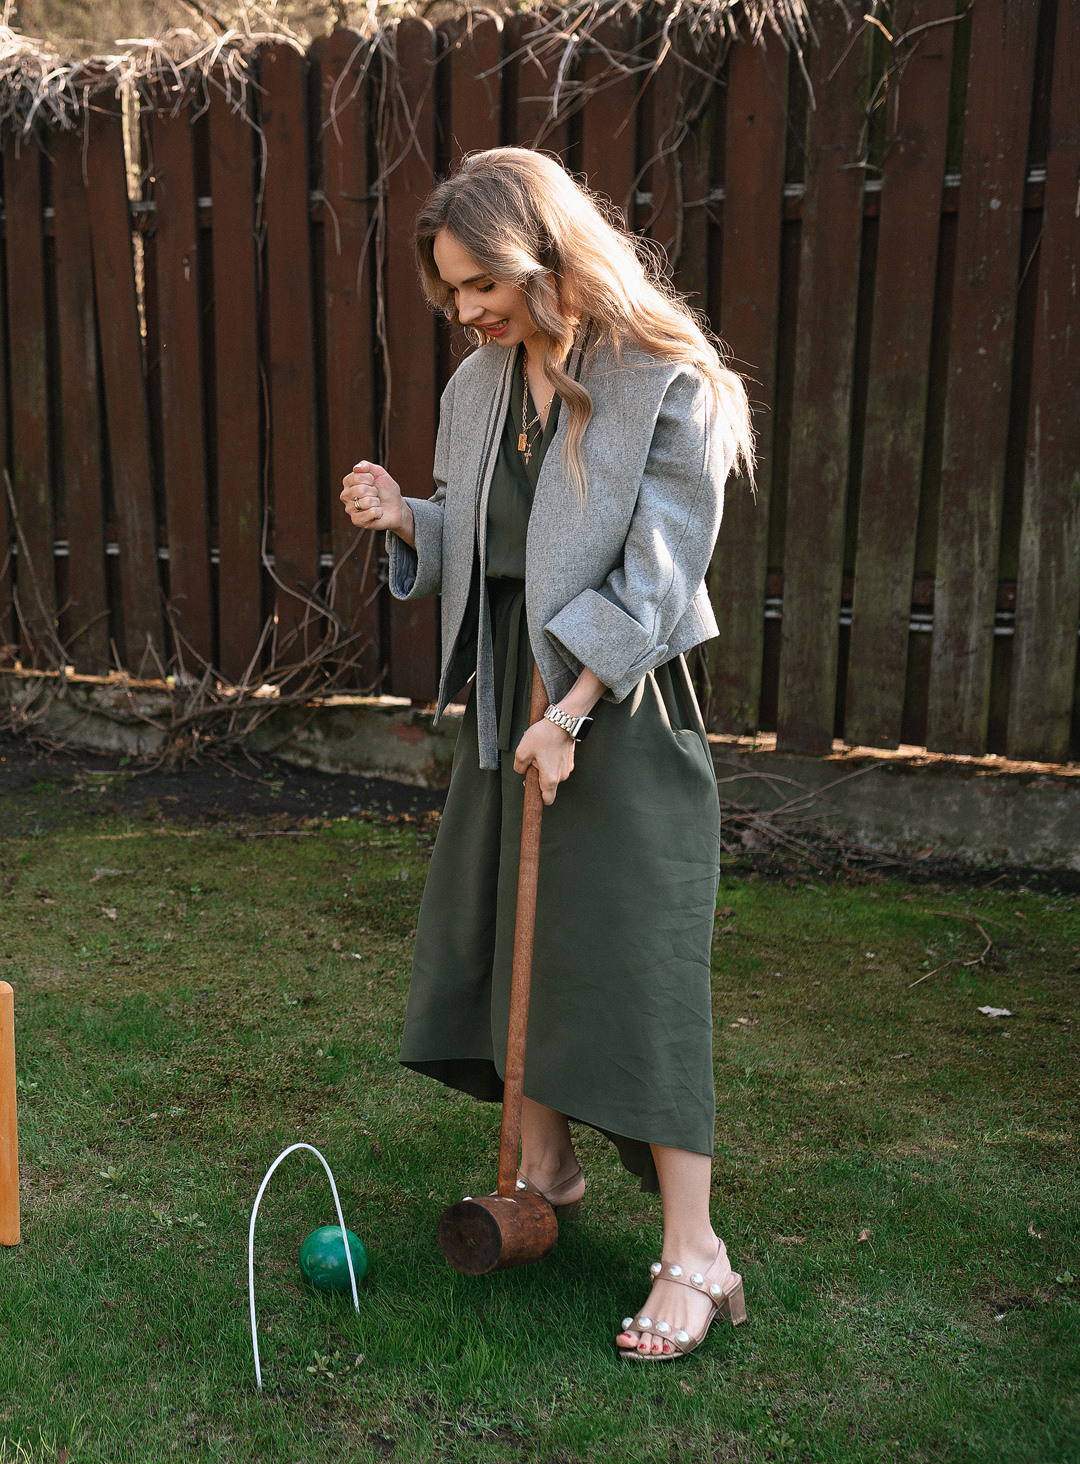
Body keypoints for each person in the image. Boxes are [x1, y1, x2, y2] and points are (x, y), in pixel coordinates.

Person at [340, 147, 755, 1361]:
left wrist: (568, 712)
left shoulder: (667, 378)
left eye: (484, 283)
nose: (467, 310)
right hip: (508, 702)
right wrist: (407, 519)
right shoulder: (480, 383)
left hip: (617, 704)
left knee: (633, 964)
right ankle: (548, 1167)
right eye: (452, 290)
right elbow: (495, 541)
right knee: (513, 941)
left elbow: (659, 574)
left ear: (545, 253)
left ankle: (696, 1252)